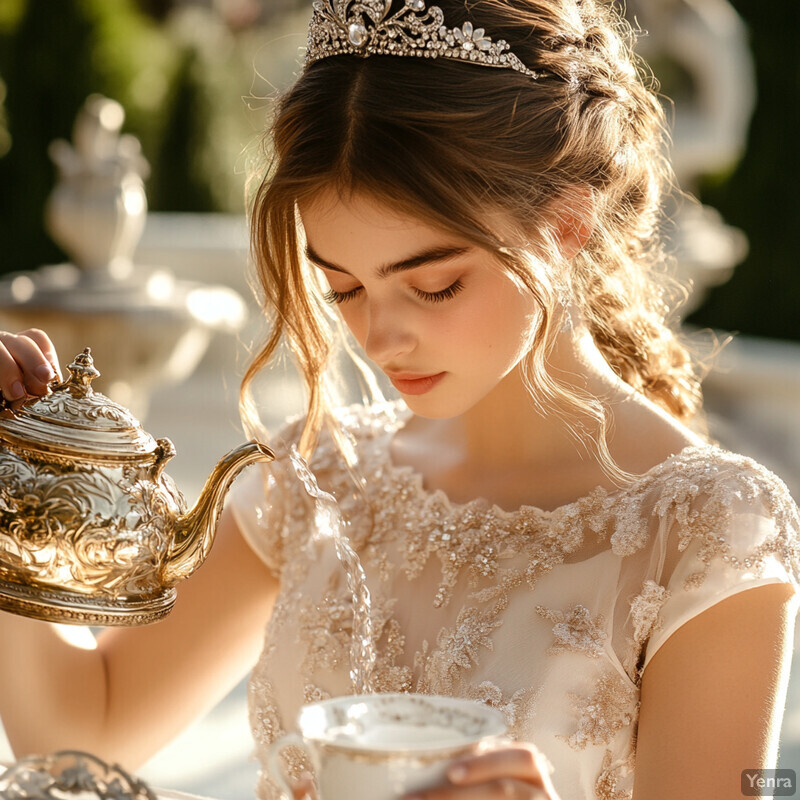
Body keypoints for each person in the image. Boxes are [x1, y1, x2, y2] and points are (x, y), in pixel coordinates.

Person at [0, 0, 798, 798]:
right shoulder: (319, 473)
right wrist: (11, 474)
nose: (380, 340)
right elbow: (82, 730)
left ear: (565, 226)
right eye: (341, 287)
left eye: (434, 285)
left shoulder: (710, 527)